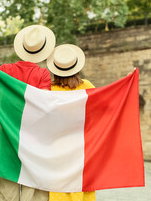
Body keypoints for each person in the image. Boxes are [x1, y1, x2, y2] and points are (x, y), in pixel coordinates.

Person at [0, 25, 55, 201]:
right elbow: (45, 105)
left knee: (8, 195)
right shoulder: (43, 74)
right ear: (42, 51)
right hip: (33, 142)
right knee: (34, 193)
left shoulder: (5, 70)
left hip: (6, 140)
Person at [46, 44, 96, 201]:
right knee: (81, 186)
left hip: (57, 148)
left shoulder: (49, 90)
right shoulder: (86, 86)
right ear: (77, 68)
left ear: (55, 70)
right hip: (81, 147)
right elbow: (102, 108)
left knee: (58, 187)